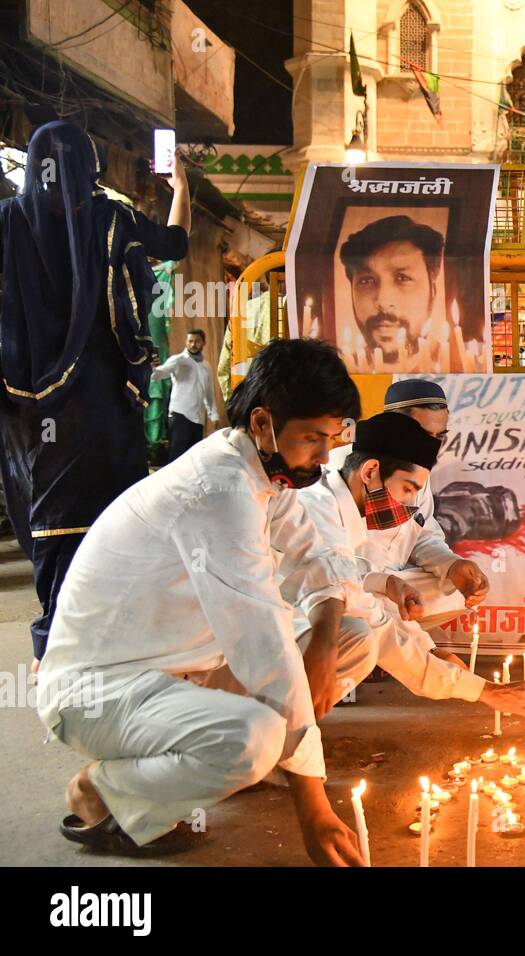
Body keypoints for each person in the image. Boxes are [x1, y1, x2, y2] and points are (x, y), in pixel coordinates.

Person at [36, 338, 369, 865]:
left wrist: (324, 644)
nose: (325, 457)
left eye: (333, 438)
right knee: (253, 740)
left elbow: (317, 560)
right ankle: (104, 791)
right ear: (263, 423)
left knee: (351, 637)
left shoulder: (265, 473)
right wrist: (314, 807)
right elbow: (263, 644)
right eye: (312, 438)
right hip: (101, 691)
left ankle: (200, 769)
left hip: (182, 672)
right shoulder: (220, 490)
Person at [0, 121, 190, 662]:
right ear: (91, 166)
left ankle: (54, 646)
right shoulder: (111, 216)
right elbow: (173, 244)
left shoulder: (7, 221)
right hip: (102, 398)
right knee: (113, 515)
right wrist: (181, 191)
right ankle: (110, 639)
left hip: (26, 406)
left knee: (48, 515)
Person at [305, 412, 525, 715]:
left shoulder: (345, 500)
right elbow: (375, 622)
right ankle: (287, 726)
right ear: (370, 471)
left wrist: (393, 590)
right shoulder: (318, 510)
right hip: (267, 635)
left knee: (370, 617)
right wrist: (483, 691)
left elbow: (357, 579)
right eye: (406, 489)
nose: (407, 505)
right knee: (360, 637)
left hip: (323, 607)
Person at [330, 379, 490, 615]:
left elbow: (421, 534)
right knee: (357, 603)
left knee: (456, 590)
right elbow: (326, 567)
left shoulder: (414, 472)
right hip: (351, 583)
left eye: (439, 436)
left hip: (394, 583)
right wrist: (384, 583)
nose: (430, 446)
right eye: (423, 434)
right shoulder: (338, 473)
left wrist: (452, 565)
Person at [339, 215, 444, 368]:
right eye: (366, 281)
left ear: (432, 292)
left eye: (402, 278)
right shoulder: (337, 370)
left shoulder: (465, 365)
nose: (383, 301)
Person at [151, 327, 218, 462]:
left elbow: (208, 393)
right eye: (190, 341)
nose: (193, 344)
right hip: (180, 415)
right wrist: (150, 367)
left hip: (198, 419)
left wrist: (213, 414)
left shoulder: (206, 366)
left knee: (193, 460)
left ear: (204, 343)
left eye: (197, 341)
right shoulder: (178, 360)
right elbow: (159, 374)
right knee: (177, 457)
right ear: (186, 342)